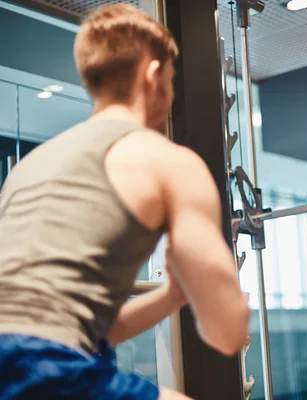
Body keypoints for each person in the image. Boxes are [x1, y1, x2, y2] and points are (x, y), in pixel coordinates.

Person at [0, 4, 250, 400]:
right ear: (153, 75)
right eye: (171, 79)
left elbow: (79, 332)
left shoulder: (27, 170)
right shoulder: (168, 161)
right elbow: (227, 333)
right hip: (43, 366)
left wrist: (173, 296)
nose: (170, 95)